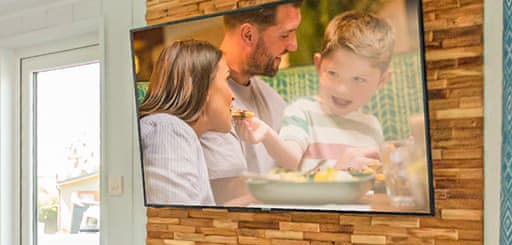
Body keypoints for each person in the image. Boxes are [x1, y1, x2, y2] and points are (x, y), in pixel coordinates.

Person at [243, 11, 395, 171]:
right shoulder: (302, 112)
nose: (342, 90)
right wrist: (267, 135)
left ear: (382, 81)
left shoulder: (372, 126)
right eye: (333, 73)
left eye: (359, 79)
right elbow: (291, 161)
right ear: (319, 65)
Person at [200, 2, 302, 180]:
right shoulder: (203, 100)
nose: (294, 45)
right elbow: (226, 190)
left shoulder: (273, 99)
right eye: (285, 35)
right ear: (248, 35)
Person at [138, 40, 236, 206]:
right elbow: (174, 216)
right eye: (226, 79)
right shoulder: (167, 129)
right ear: (202, 87)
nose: (232, 96)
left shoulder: (172, 131)